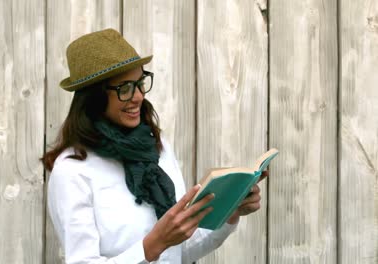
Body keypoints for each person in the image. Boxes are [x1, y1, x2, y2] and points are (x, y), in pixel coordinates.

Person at [41, 28, 266, 264]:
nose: (138, 96)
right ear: (94, 97)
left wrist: (230, 212)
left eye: (140, 83)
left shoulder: (157, 149)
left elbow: (178, 252)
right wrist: (153, 244)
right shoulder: (73, 170)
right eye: (124, 88)